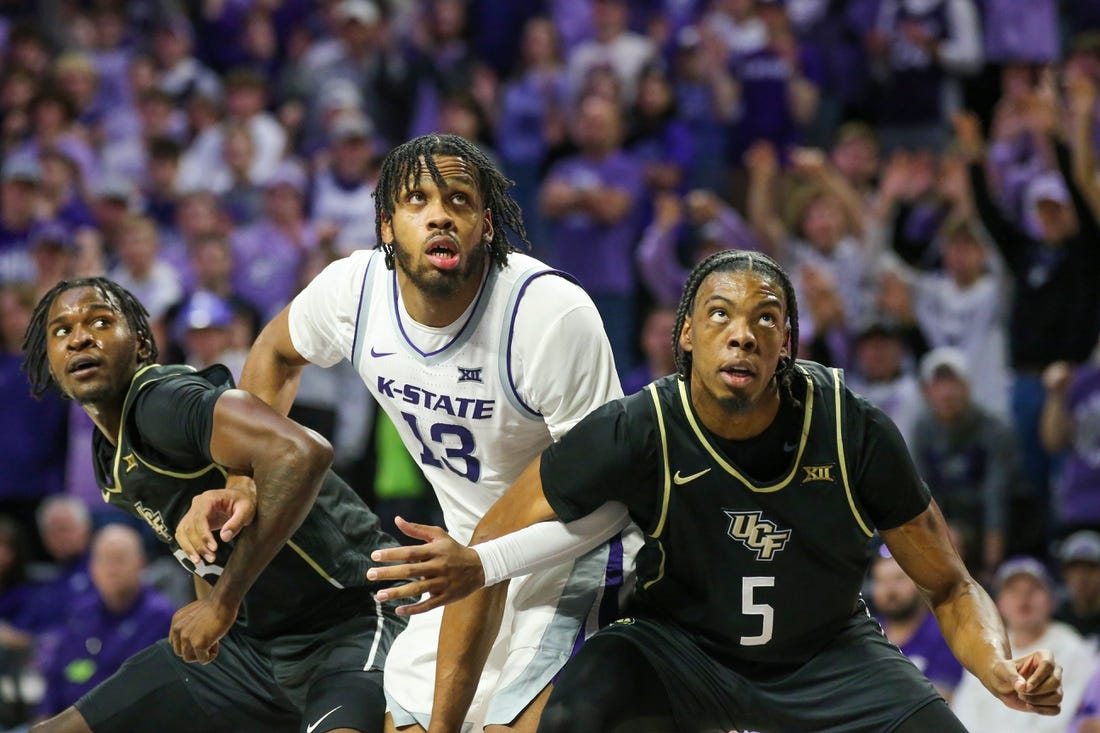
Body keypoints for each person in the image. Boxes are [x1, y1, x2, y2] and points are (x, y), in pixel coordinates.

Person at [370, 249, 1065, 733]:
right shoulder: (639, 427)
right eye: (721, 316)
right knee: (582, 707)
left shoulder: (851, 427)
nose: (743, 334)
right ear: (687, 338)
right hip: (680, 650)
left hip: (826, 655)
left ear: (787, 342)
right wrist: (469, 566)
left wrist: (999, 664)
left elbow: (949, 585)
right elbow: (497, 531)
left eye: (766, 318)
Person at [237, 132, 636, 732]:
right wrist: (243, 482)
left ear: (488, 226)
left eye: (459, 200)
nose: (439, 215)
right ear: (387, 225)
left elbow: (610, 500)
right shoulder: (356, 290)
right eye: (417, 200)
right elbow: (273, 353)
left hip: (573, 554)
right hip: (464, 555)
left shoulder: (548, 314)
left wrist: (485, 561)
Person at [21, 276, 406, 733]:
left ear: (142, 343)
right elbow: (202, 548)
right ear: (49, 360)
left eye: (100, 321)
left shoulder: (159, 401)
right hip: (252, 647)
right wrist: (212, 602)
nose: (80, 337)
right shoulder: (110, 459)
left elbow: (302, 453)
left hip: (352, 615)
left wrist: (221, 604)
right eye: (61, 331)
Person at [951, 556, 1094, 733]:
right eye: (1013, 590)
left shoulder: (1073, 648)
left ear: (1051, 600)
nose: (1024, 597)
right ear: (998, 603)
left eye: (1034, 589)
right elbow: (964, 711)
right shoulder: (986, 648)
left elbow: (1066, 718)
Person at [869, 546, 963, 702]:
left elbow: (941, 700)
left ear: (920, 583)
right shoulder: (865, 632)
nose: (890, 590)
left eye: (899, 579)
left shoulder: (944, 634)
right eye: (881, 581)